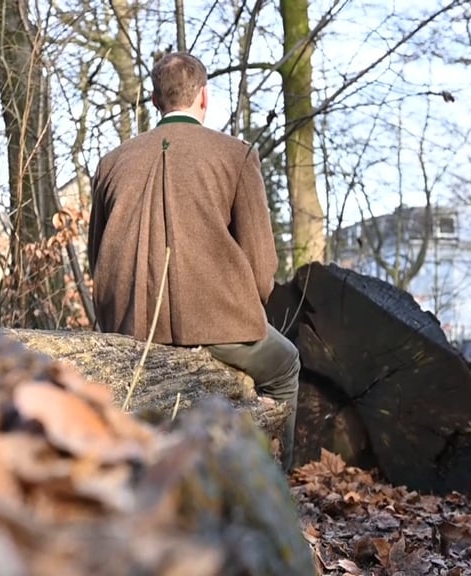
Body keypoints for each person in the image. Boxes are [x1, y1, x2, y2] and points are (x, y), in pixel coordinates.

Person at [86, 52, 300, 470]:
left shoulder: (111, 163)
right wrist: (247, 308)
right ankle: (276, 490)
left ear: (154, 100)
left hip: (130, 329)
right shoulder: (235, 155)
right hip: (221, 328)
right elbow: (261, 266)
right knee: (286, 363)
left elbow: (98, 259)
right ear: (205, 96)